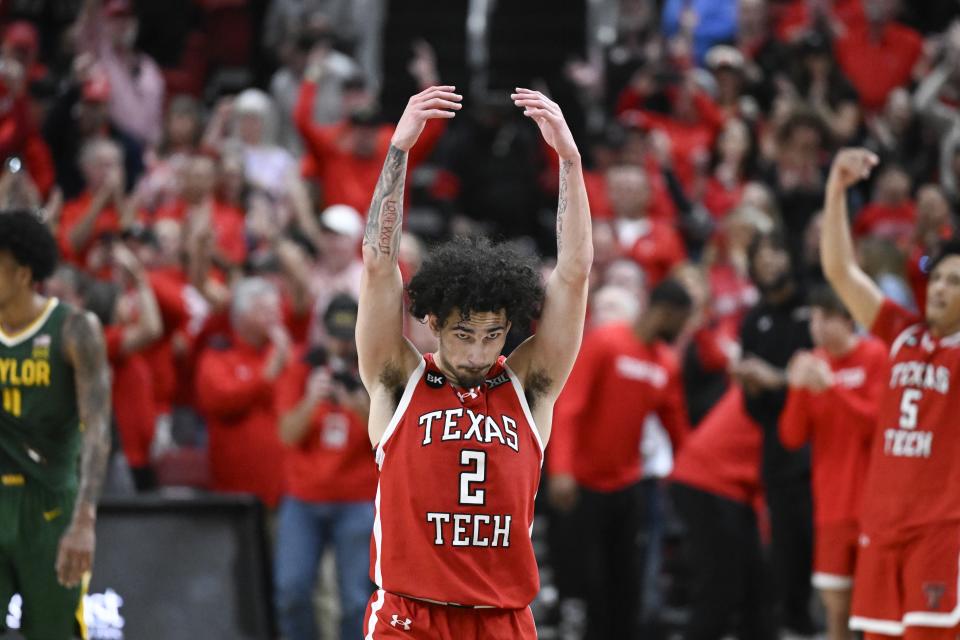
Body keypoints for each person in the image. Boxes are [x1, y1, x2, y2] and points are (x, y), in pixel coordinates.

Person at [357, 85, 592, 638]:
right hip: (408, 616)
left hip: (502, 619)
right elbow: (377, 264)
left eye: (494, 335)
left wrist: (570, 160)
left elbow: (573, 275)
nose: (479, 351)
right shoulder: (398, 380)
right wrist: (399, 150)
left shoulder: (528, 387)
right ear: (434, 322)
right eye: (464, 333)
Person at [822, 148, 960, 639]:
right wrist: (837, 189)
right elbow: (841, 272)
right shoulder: (903, 331)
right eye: (938, 278)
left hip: (940, 528)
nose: (941, 288)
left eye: (955, 282)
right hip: (881, 525)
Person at [548, 278, 693, 639]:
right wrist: (561, 470)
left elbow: (678, 428)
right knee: (586, 580)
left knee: (625, 582)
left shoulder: (666, 363)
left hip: (628, 484)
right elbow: (570, 408)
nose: (683, 330)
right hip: (582, 485)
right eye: (682, 320)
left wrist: (693, 476)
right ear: (666, 313)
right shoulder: (607, 342)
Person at [0, 210, 112, 638]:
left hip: (49, 504)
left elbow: (98, 430)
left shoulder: (75, 329)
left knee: (54, 633)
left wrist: (84, 520)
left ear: (23, 274)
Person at [779, 285, 887, 640]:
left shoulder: (876, 355)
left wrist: (832, 389)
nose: (817, 327)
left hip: (877, 507)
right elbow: (792, 437)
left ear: (847, 319)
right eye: (813, 319)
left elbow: (877, 424)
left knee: (877, 613)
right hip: (832, 507)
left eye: (825, 318)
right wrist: (797, 387)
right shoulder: (815, 363)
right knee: (836, 613)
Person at [274, 294, 377, 640]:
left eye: (349, 337)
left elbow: (387, 442)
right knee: (291, 590)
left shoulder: (373, 371)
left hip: (357, 497)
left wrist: (358, 406)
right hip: (304, 497)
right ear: (323, 331)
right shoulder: (301, 367)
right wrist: (310, 399)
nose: (342, 344)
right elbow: (287, 434)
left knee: (354, 600)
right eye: (336, 335)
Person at [731, 229, 816, 635]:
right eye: (760, 258)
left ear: (791, 257)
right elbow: (754, 411)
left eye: (775, 254)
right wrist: (752, 386)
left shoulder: (815, 307)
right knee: (787, 563)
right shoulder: (752, 321)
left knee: (825, 559)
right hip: (778, 457)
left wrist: (778, 379)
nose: (768, 264)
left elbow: (827, 383)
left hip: (822, 455)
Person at [195, 278, 290, 509]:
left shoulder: (288, 356)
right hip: (236, 492)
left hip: (287, 489)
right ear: (240, 317)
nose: (273, 317)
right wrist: (267, 375)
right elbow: (221, 401)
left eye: (275, 309)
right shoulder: (218, 356)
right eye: (264, 310)